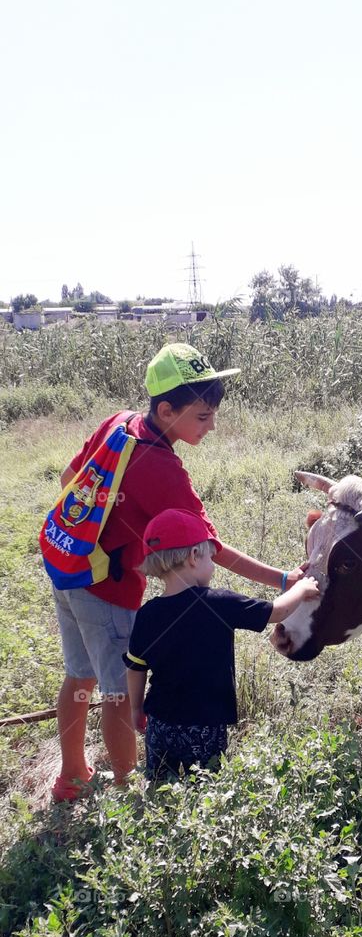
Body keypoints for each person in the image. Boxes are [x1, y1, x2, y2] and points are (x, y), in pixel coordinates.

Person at [49, 342, 304, 801]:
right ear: (167, 409)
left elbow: (71, 476)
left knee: (79, 675)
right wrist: (284, 581)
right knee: (117, 693)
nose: (211, 426)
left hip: (66, 561)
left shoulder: (120, 422)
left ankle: (71, 776)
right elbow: (212, 548)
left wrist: (107, 523)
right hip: (105, 586)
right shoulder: (162, 468)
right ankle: (129, 795)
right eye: (202, 416)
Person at [123, 510, 319, 782]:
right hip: (206, 724)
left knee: (159, 787)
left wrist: (135, 708)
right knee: (207, 790)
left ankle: (162, 821)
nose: (213, 566)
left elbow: (135, 667)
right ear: (193, 557)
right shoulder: (219, 603)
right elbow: (276, 611)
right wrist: (301, 588)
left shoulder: (147, 614)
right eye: (210, 558)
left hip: (160, 723)